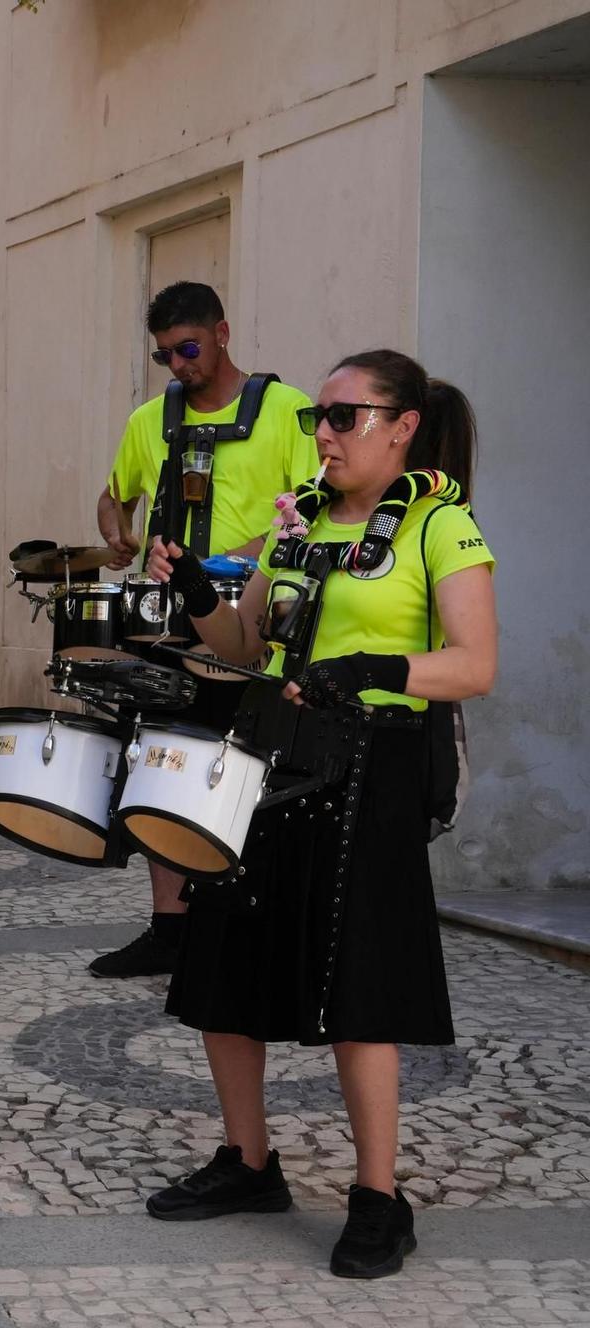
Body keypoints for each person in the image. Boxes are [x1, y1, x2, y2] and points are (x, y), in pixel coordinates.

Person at [143, 349, 495, 1279]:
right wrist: (194, 597)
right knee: (225, 962)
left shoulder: (440, 527)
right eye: (319, 417)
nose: (326, 432)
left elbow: (475, 663)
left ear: (402, 424)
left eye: (343, 416)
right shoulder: (297, 519)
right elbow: (247, 640)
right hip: (270, 758)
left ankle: (380, 1197)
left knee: (357, 991)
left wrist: (372, 670)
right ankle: (249, 1161)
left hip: (371, 769)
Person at [89, 281, 318, 978]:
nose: (178, 366)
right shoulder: (149, 419)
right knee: (161, 758)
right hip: (165, 621)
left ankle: (249, 921)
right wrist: (119, 533)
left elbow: (313, 505)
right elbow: (112, 493)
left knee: (250, 765)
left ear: (221, 332)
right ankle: (169, 927)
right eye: (164, 356)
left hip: (249, 620)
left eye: (187, 348)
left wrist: (240, 557)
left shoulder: (289, 410)